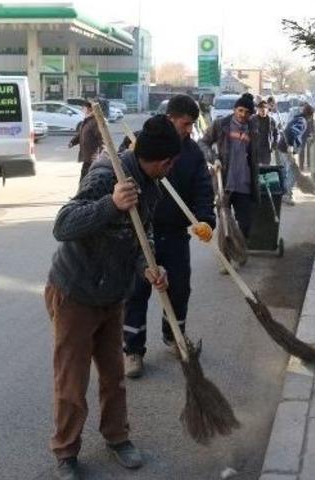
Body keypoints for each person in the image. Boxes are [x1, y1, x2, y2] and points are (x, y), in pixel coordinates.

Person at [45, 115, 182, 480]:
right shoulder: (108, 175)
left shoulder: (151, 184)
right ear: (160, 159)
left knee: (114, 374)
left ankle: (117, 438)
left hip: (112, 294)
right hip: (75, 293)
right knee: (71, 381)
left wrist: (149, 266)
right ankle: (66, 452)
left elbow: (142, 235)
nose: (171, 168)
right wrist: (111, 203)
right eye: (170, 162)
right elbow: (63, 225)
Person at [121, 95, 216, 378]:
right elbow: (116, 174)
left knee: (179, 288)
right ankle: (133, 350)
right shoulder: (140, 143)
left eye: (192, 125)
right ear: (172, 117)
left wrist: (205, 221)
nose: (190, 129)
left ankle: (174, 336)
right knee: (137, 291)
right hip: (140, 233)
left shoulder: (193, 153)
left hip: (174, 235)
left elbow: (202, 189)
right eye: (186, 124)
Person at [199, 92, 258, 239]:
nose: (243, 114)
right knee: (226, 224)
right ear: (235, 109)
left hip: (244, 184)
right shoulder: (221, 124)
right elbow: (202, 142)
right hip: (223, 183)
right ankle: (228, 254)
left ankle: (240, 248)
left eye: (247, 112)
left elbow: (254, 156)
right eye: (240, 110)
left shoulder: (253, 129)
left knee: (245, 224)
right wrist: (213, 158)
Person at [278, 103, 315, 205]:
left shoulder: (297, 118)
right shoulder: (302, 121)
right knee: (293, 173)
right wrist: (292, 146)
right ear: (310, 116)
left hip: (282, 147)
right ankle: (287, 195)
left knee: (289, 171)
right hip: (287, 148)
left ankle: (284, 193)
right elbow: (293, 131)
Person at [68, 100, 104, 182]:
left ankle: (82, 193)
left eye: (83, 108)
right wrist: (73, 142)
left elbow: (102, 139)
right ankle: (81, 192)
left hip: (92, 158)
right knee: (84, 178)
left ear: (90, 109)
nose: (82, 110)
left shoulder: (95, 122)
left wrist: (100, 154)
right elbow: (81, 134)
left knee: (87, 179)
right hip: (86, 156)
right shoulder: (86, 120)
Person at [250, 99, 278, 166]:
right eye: (261, 110)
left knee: (266, 168)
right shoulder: (252, 120)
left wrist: (274, 145)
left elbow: (276, 134)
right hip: (256, 149)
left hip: (267, 149)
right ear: (258, 110)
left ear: (267, 110)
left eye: (265, 109)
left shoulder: (272, 121)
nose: (263, 111)